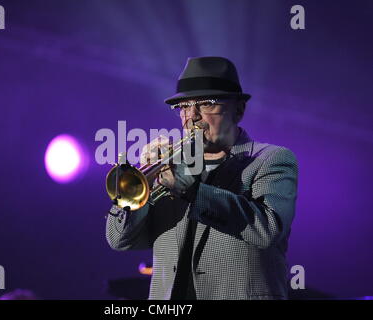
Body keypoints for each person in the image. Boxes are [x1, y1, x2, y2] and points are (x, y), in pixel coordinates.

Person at [105, 56, 298, 300]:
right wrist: (141, 185)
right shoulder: (170, 166)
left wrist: (193, 191)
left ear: (238, 110)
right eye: (184, 106)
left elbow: (267, 230)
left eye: (206, 104)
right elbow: (120, 241)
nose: (192, 116)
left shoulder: (270, 159)